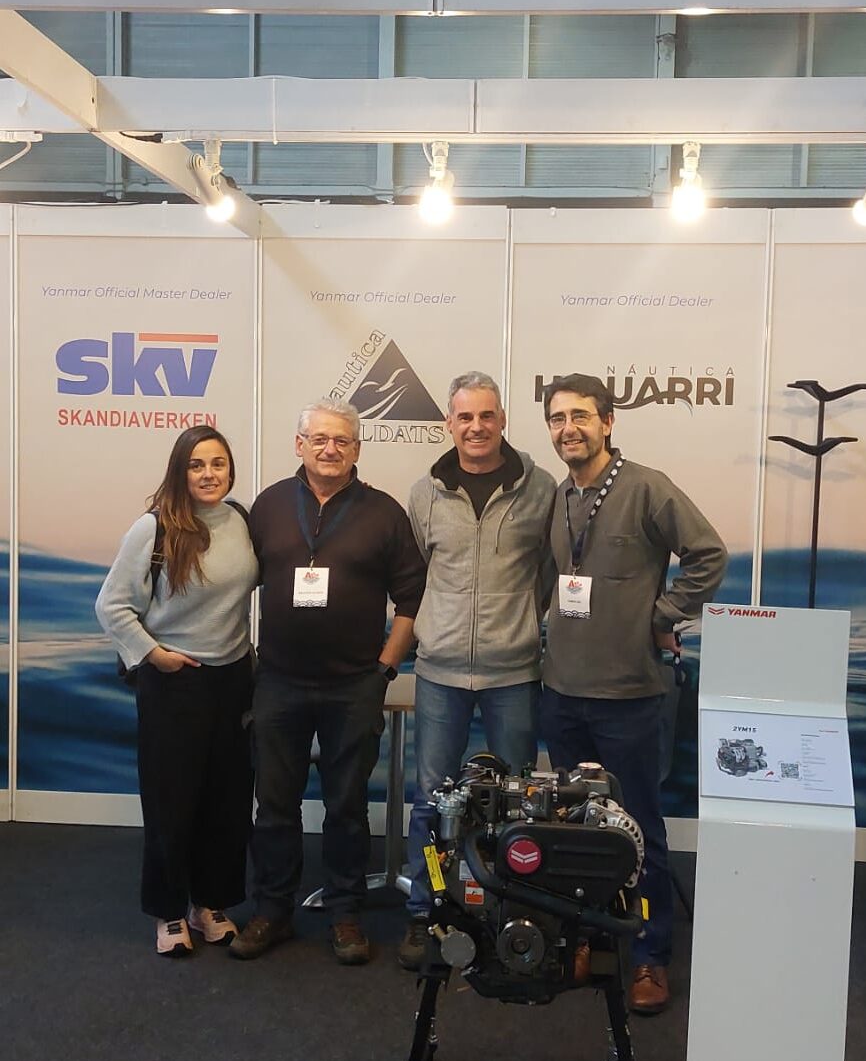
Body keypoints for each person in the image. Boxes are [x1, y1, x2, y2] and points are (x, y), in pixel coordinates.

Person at [539, 373, 727, 1014]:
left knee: (638, 828)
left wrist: (664, 614)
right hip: (562, 693)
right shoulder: (560, 495)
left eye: (581, 416)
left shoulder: (646, 486)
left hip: (631, 696)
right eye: (558, 418)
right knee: (577, 829)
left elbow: (708, 554)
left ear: (608, 421)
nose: (569, 428)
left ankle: (650, 957)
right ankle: (589, 934)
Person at [229, 398, 426, 966]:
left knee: (345, 806)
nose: (330, 449)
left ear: (357, 449)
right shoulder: (266, 507)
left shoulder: (385, 513)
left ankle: (345, 914)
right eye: (319, 439)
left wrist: (384, 669)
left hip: (353, 687)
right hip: (280, 683)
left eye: (342, 440)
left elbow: (411, 598)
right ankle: (272, 911)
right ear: (300, 444)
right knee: (275, 805)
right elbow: (234, 584)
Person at [398, 371, 557, 970]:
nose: (476, 427)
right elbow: (417, 576)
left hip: (514, 672)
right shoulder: (426, 492)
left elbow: (546, 571)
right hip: (438, 670)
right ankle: (425, 913)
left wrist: (519, 623)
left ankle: (513, 911)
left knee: (517, 800)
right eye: (464, 417)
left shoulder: (539, 489)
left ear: (502, 420)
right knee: (431, 800)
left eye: (486, 416)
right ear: (449, 423)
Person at [95, 425, 258, 957]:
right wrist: (154, 655)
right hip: (174, 681)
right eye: (196, 465)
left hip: (234, 679)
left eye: (218, 464)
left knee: (227, 800)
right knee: (172, 802)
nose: (209, 474)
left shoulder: (240, 521)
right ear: (179, 471)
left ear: (230, 470)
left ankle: (210, 904)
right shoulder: (155, 529)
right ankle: (169, 911)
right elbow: (111, 606)